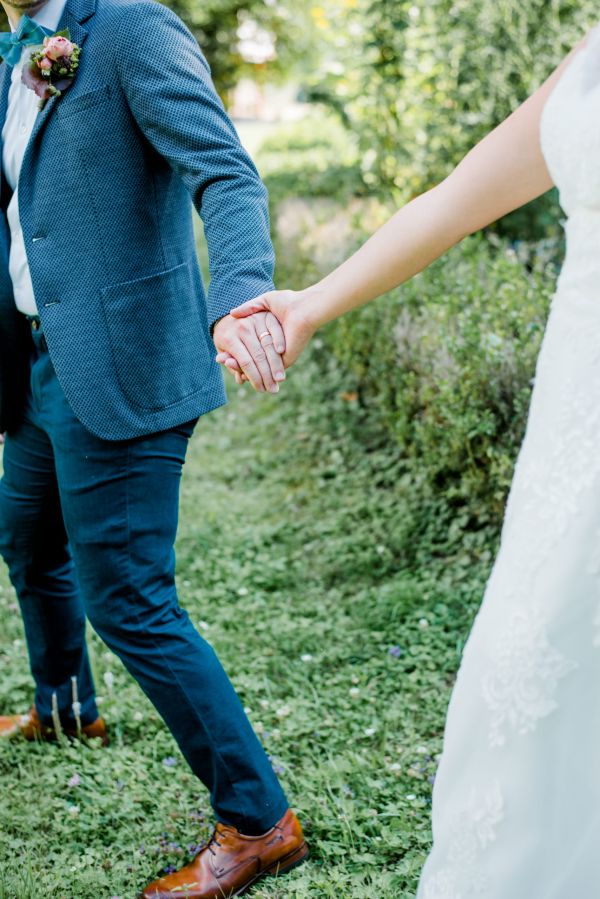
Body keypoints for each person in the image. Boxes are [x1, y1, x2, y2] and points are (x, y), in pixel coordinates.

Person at [219, 26, 600, 896]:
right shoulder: (592, 53)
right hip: (572, 440)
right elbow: (457, 197)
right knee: (526, 682)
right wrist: (311, 306)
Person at [0, 0, 308, 896]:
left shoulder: (131, 29)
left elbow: (226, 173)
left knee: (130, 597)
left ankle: (259, 821)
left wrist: (240, 297)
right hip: (34, 362)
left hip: (122, 362)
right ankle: (67, 709)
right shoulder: (10, 53)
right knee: (29, 542)